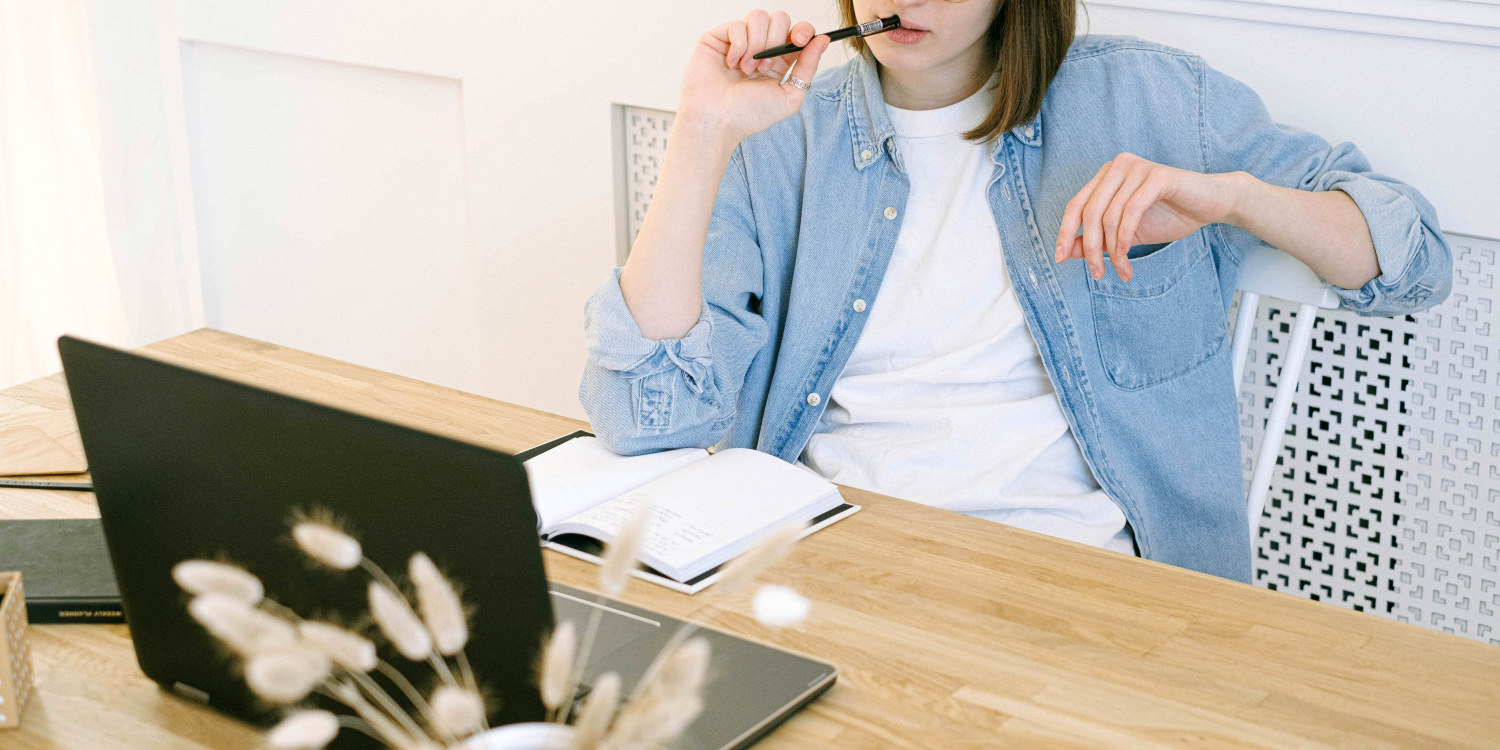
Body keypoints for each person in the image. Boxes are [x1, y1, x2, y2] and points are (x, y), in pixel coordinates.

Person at [579, 0, 1452, 582]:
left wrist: (1234, 197)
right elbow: (647, 416)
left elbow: (1413, 261)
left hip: (1078, 578)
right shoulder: (781, 136)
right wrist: (701, 131)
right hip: (834, 560)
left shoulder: (1149, 97)